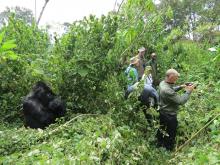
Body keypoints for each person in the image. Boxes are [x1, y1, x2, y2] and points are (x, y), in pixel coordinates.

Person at [156, 69, 195, 150]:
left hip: (162, 112)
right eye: (176, 77)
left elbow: (171, 89)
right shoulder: (167, 90)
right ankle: (168, 148)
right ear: (171, 77)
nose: (177, 79)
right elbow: (180, 101)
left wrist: (180, 87)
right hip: (169, 115)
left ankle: (159, 143)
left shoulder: (162, 83)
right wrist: (188, 91)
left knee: (161, 129)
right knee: (171, 133)